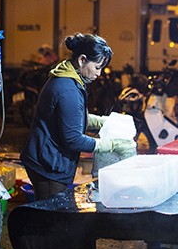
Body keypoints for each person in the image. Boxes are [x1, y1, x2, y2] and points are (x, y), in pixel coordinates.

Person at [20, 33, 136, 201]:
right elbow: (73, 139)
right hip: (48, 165)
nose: (99, 73)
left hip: (48, 158)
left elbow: (72, 118)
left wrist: (103, 121)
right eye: (97, 67)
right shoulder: (68, 89)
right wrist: (112, 145)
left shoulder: (69, 78)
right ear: (82, 60)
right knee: (51, 221)